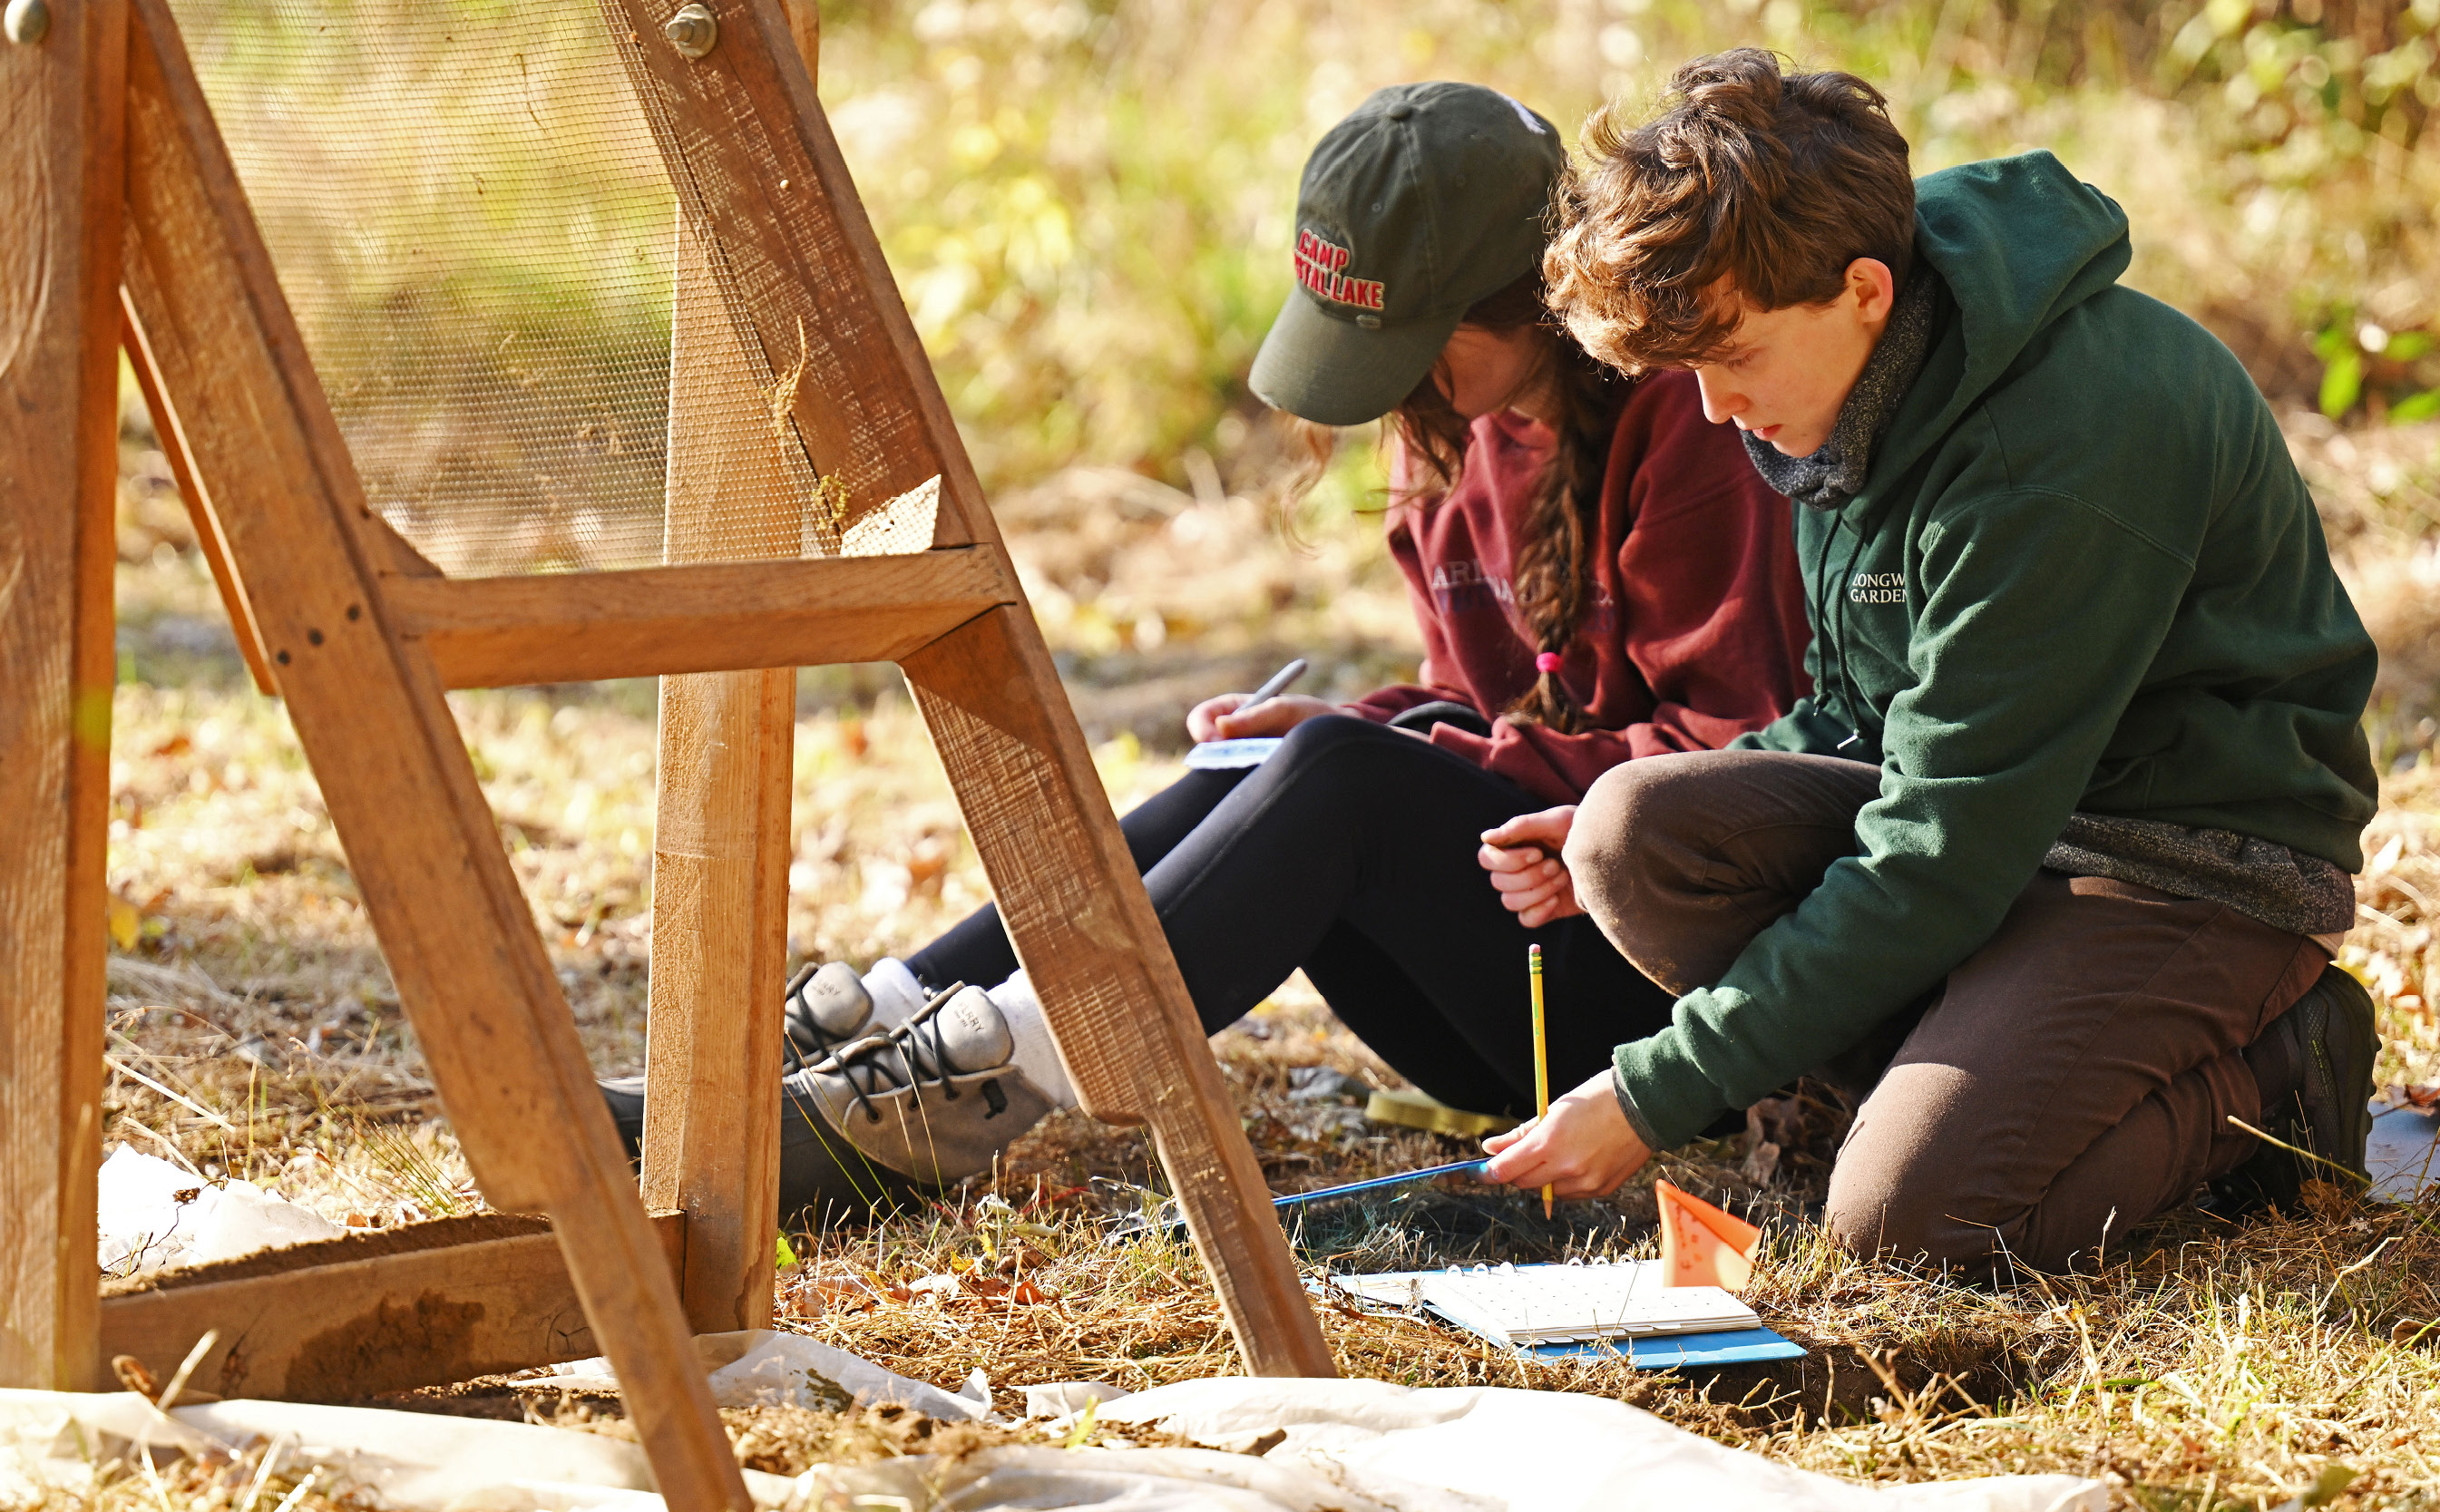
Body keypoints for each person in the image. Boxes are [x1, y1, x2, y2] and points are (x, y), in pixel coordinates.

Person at [603, 81, 1811, 1222]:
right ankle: (884, 1025)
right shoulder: (1448, 435)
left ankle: (960, 1089)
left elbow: (1731, 757)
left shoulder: (1696, 424)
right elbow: (1495, 713)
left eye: (1417, 351)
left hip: (1654, 1010)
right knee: (1283, 762)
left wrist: (1390, 749)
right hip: (1501, 959)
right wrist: (1378, 724)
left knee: (1340, 774)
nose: (1404, 404)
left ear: (1530, 301)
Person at [1479, 50, 2382, 1273]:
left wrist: (1655, 1092)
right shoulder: (1848, 387)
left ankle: (2275, 1083)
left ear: (1860, 287)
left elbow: (1942, 847)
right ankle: (1936, 1079)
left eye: (1729, 359)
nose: (1708, 411)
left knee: (1911, 1223)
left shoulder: (2054, 445)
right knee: (1627, 832)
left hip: (2183, 856)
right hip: (2007, 823)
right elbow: (1855, 716)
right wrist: (1636, 804)